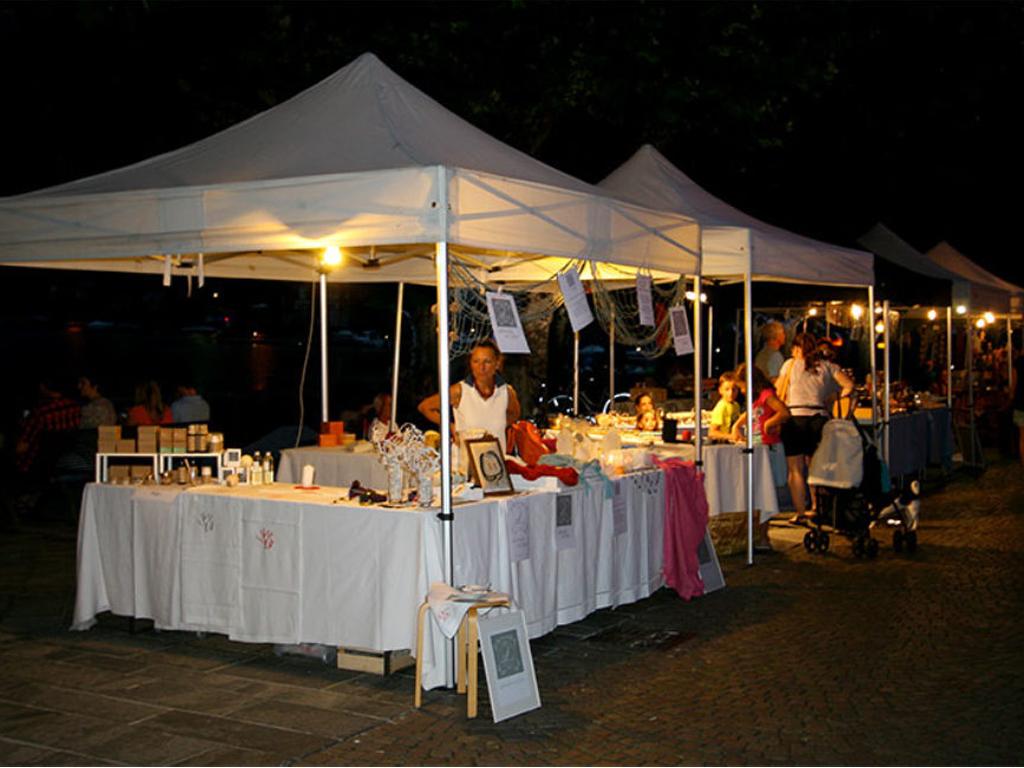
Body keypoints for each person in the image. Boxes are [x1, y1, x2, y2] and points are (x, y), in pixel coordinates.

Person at [777, 332, 854, 523]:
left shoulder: (789, 365)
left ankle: (800, 513)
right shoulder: (827, 366)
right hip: (818, 418)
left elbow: (779, 391)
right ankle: (816, 507)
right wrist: (831, 398)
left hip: (794, 419)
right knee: (815, 466)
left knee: (795, 469)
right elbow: (849, 385)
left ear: (796, 348)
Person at [417, 340, 521, 457]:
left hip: (495, 462)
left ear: (497, 364)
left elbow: (514, 414)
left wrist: (496, 424)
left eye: (487, 361)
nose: (481, 367)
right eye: (476, 361)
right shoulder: (460, 390)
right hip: (464, 463)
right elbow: (425, 407)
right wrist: (451, 426)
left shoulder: (507, 392)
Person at [732, 363, 791, 551]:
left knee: (764, 493)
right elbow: (749, 414)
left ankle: (763, 536)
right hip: (759, 447)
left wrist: (770, 423)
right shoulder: (755, 399)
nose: (741, 391)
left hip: (768, 447)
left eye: (742, 386)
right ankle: (759, 535)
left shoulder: (766, 394)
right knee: (758, 493)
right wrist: (737, 425)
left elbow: (784, 412)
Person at [15, 378, 81, 475]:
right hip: (63, 462)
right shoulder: (75, 407)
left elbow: (22, 447)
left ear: (43, 387)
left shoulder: (40, 412)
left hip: (35, 465)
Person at [708, 372, 741, 442]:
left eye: (734, 389)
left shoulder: (736, 405)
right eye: (727, 389)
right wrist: (730, 436)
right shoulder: (721, 407)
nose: (731, 393)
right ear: (720, 390)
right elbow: (712, 432)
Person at [1012, 352, 1024, 467]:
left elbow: (1014, 383)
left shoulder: (1018, 362)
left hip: (1020, 401)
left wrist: (1011, 396)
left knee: (1022, 436)